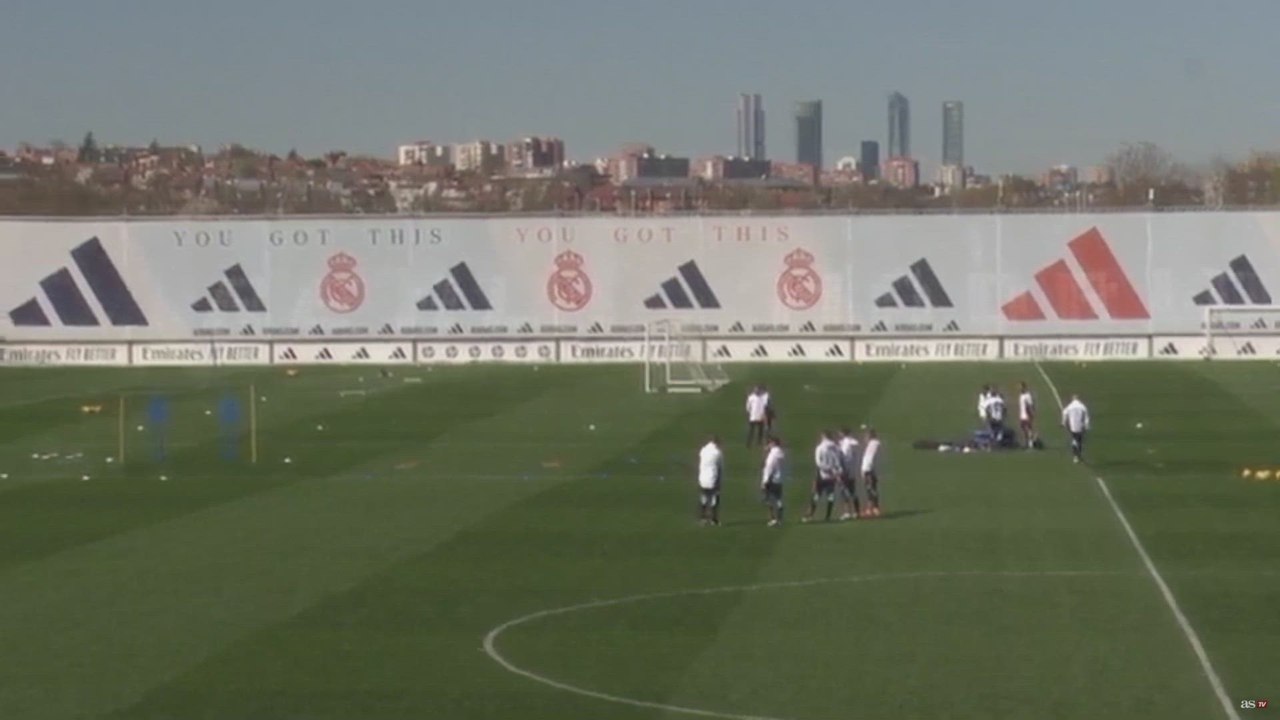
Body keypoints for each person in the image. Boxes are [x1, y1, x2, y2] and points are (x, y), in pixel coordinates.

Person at [804, 431, 841, 523]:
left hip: (822, 475)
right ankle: (828, 516)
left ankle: (810, 515)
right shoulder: (836, 447)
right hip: (832, 476)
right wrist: (835, 472)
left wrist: (827, 469)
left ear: (823, 437)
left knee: (816, 495)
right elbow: (838, 462)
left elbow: (818, 463)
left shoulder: (820, 448)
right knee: (830, 496)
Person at [697, 435, 724, 526]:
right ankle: (714, 519)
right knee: (714, 499)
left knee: (704, 498)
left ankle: (703, 518)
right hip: (713, 478)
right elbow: (720, 467)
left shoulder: (703, 450)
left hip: (702, 478)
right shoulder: (717, 453)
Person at [837, 427, 862, 520]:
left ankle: (847, 512)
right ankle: (857, 512)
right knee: (853, 491)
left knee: (844, 491)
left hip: (845, 470)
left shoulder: (844, 443)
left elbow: (842, 456)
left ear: (843, 434)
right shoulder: (853, 442)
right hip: (852, 471)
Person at [761, 435, 786, 527]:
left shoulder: (772, 456)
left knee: (769, 500)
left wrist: (765, 482)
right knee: (779, 499)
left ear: (773, 443)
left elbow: (769, 468)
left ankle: (773, 518)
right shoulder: (781, 453)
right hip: (779, 479)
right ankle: (779, 519)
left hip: (771, 480)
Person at [1061, 394, 1090, 464]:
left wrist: (1063, 422)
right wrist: (1086, 425)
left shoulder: (1070, 406)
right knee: (1079, 440)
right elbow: (1086, 416)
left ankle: (1075, 456)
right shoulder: (1082, 406)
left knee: (1074, 439)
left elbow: (1064, 412)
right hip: (1080, 426)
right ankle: (1078, 455)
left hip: (1072, 426)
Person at [861, 428, 883, 517]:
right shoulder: (873, 444)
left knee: (871, 490)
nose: (864, 438)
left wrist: (865, 470)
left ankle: (875, 508)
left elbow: (869, 458)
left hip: (869, 470)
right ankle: (870, 509)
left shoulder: (873, 444)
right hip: (869, 470)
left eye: (866, 436)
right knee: (870, 490)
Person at [1017, 382, 1037, 449]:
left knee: (1028, 429)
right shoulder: (1021, 395)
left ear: (1024, 387)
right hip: (1022, 415)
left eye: (1021, 387)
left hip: (1027, 414)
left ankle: (1030, 443)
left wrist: (1030, 414)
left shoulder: (1027, 395)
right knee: (1023, 428)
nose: (1019, 388)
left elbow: (1030, 405)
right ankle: (1027, 442)